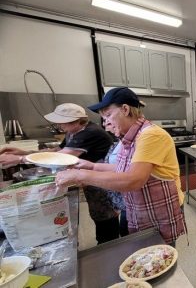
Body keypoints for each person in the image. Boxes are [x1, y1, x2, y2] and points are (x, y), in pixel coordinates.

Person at [55, 88, 186, 245]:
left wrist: (80, 176)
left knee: (158, 260)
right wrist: (91, 167)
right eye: (103, 118)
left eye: (108, 115)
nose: (105, 123)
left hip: (159, 210)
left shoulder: (150, 135)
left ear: (125, 109)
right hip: (139, 208)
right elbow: (123, 166)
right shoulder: (131, 136)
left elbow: (134, 180)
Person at [0, 103, 118, 244]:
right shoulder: (74, 131)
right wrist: (25, 153)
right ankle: (105, 243)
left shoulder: (90, 132)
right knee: (98, 214)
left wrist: (20, 159)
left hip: (102, 179)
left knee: (105, 215)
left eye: (62, 123)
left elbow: (60, 158)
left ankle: (109, 245)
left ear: (75, 121)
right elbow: (56, 151)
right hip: (90, 177)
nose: (59, 126)